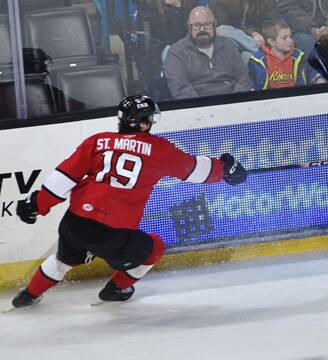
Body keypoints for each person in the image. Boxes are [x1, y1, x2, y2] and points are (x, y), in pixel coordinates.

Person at [11, 95, 247, 308]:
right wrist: (225, 168)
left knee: (63, 261)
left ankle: (28, 296)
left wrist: (36, 206)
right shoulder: (159, 150)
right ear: (144, 123)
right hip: (111, 232)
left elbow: (63, 178)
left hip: (75, 221)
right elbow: (194, 170)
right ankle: (116, 289)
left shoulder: (97, 142)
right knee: (154, 247)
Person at [164, 6, 253, 99]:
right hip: (197, 106)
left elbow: (243, 79)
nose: (202, 29)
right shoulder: (177, 52)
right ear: (189, 27)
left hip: (231, 102)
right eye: (197, 25)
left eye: (207, 24)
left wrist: (235, 102)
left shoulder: (229, 46)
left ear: (215, 24)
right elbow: (180, 90)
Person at [248, 21, 326, 89]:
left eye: (290, 36)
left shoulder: (300, 57)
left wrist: (319, 79)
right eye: (284, 38)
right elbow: (253, 87)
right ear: (271, 42)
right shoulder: (257, 61)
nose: (290, 41)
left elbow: (312, 72)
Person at [208, 0, 281, 64]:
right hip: (233, 39)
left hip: (259, 39)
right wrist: (251, 33)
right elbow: (222, 24)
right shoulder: (220, 1)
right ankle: (255, 48)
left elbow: (273, 25)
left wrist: (257, 33)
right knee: (221, 31)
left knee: (247, 56)